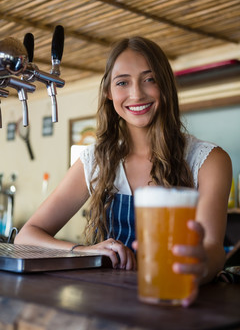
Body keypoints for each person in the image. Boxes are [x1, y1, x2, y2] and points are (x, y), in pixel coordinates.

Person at [15, 36, 232, 306]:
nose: (137, 93)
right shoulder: (95, 159)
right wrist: (83, 251)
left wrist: (198, 268)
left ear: (165, 85)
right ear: (108, 92)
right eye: (122, 82)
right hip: (107, 306)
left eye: (149, 79)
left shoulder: (209, 160)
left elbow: (212, 249)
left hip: (179, 303)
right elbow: (27, 234)